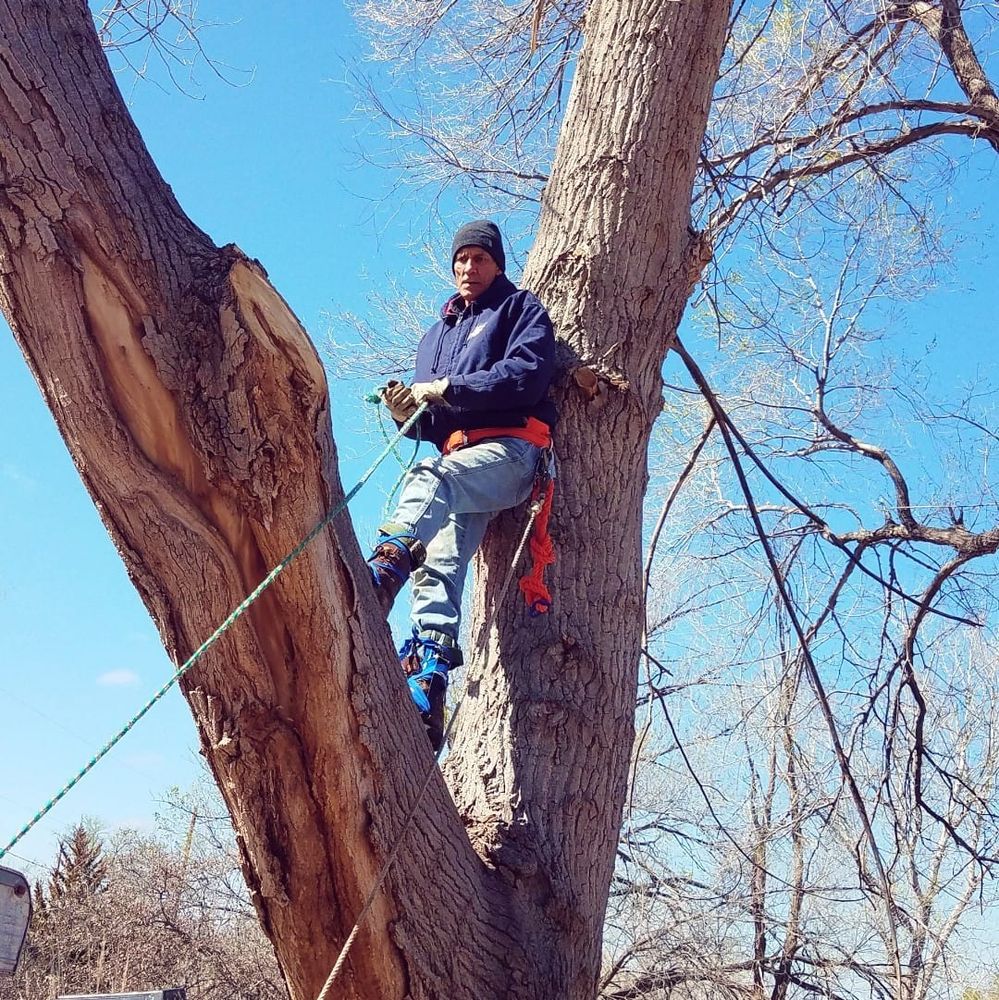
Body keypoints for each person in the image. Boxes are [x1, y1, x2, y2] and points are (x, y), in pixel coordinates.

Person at [365, 220, 557, 751]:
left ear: (497, 263)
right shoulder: (438, 334)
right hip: (460, 461)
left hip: (512, 452)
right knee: (439, 563)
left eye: (479, 259)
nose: (468, 268)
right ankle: (429, 679)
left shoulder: (519, 311)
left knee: (430, 478)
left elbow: (527, 376)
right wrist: (411, 412)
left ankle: (385, 566)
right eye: (461, 260)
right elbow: (435, 422)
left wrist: (452, 387)